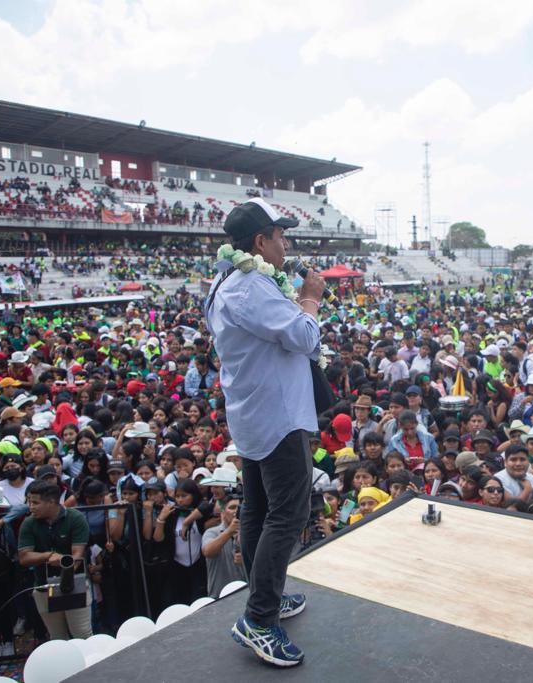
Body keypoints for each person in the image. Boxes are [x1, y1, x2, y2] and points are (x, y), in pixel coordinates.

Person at [206, 198, 321, 667]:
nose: (285, 243)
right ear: (260, 240)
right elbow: (306, 337)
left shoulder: (226, 280)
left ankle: (265, 596)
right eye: (280, 235)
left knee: (257, 509)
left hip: (253, 413)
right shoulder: (251, 286)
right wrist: (310, 297)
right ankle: (258, 618)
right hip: (278, 416)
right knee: (288, 514)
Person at [18, 479, 93, 639]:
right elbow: (24, 557)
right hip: (43, 586)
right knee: (57, 638)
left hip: (74, 583)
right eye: (29, 502)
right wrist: (49, 556)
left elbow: (76, 557)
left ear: (52, 502)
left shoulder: (75, 518)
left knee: (82, 634)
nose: (31, 507)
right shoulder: (28, 523)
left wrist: (63, 562)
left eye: (35, 503)